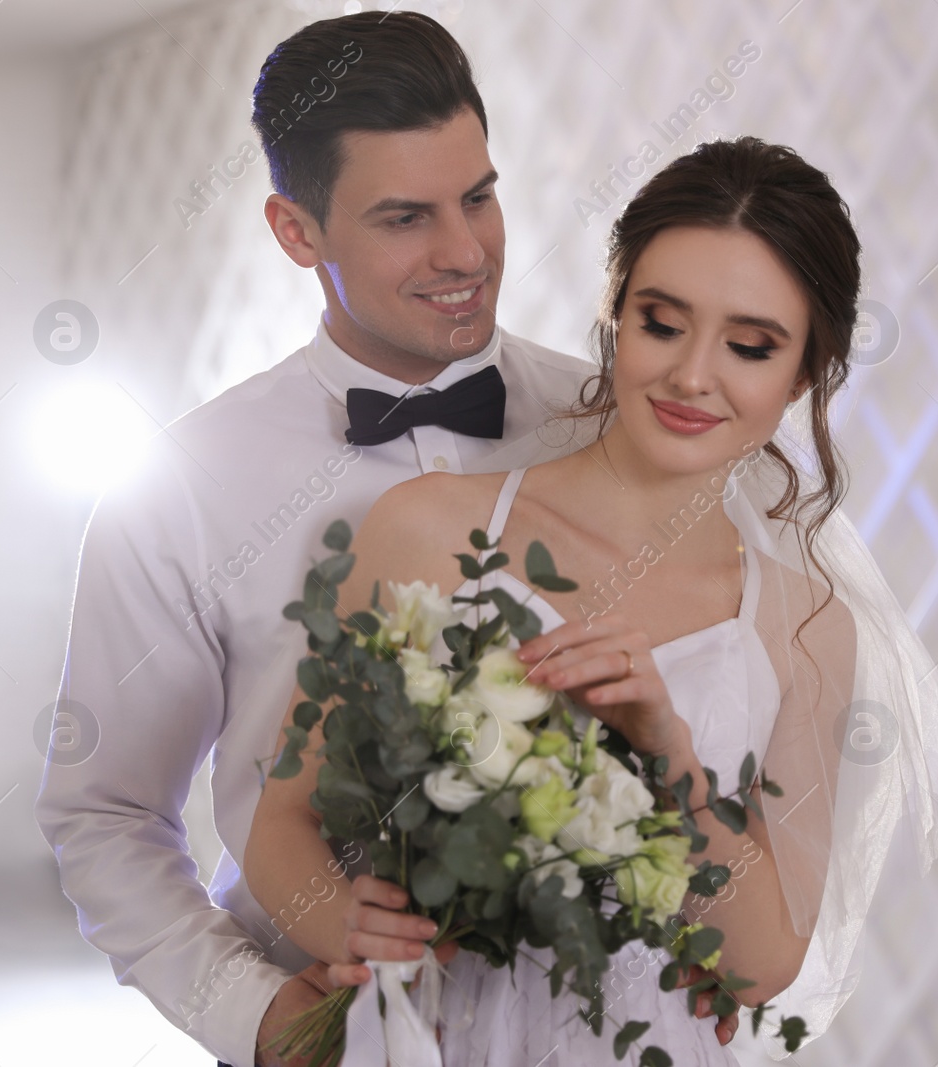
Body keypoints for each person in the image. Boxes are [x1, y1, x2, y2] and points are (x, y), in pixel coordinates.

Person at [245, 136, 938, 1066]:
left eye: (750, 345)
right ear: (615, 314)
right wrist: (356, 932)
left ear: (803, 373)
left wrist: (668, 751)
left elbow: (760, 966)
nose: (690, 376)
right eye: (662, 322)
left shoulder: (804, 623)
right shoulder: (425, 531)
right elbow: (282, 820)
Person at [32, 12, 653, 1067]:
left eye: (480, 196)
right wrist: (262, 1017)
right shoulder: (179, 488)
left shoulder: (611, 427)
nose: (464, 252)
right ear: (295, 230)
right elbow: (105, 811)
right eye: (405, 216)